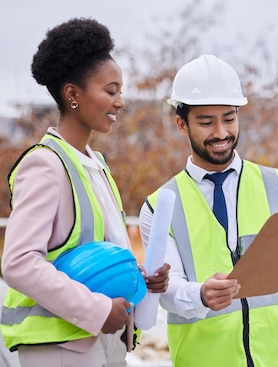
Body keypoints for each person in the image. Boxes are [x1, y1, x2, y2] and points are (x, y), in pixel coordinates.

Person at [138, 54, 278, 367]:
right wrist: (201, 295)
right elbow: (167, 291)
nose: (221, 132)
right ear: (181, 124)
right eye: (206, 122)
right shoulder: (160, 205)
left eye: (229, 118)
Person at [0, 18, 169, 367]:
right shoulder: (46, 164)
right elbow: (18, 263)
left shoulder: (96, 164)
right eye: (110, 91)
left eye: (120, 91)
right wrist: (96, 309)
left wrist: (139, 274)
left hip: (106, 342)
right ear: (73, 94)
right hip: (61, 347)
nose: (120, 102)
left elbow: (91, 253)